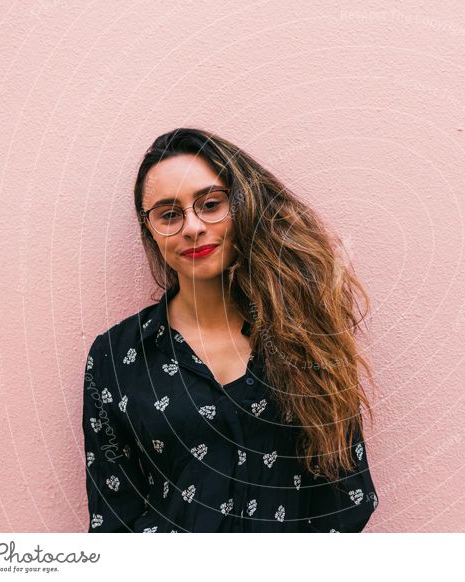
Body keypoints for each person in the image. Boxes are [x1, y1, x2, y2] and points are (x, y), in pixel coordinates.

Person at [82, 128, 379, 532]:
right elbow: (113, 518)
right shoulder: (114, 358)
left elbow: (348, 499)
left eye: (210, 204)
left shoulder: (306, 333)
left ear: (242, 206)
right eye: (169, 214)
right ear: (149, 229)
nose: (192, 227)